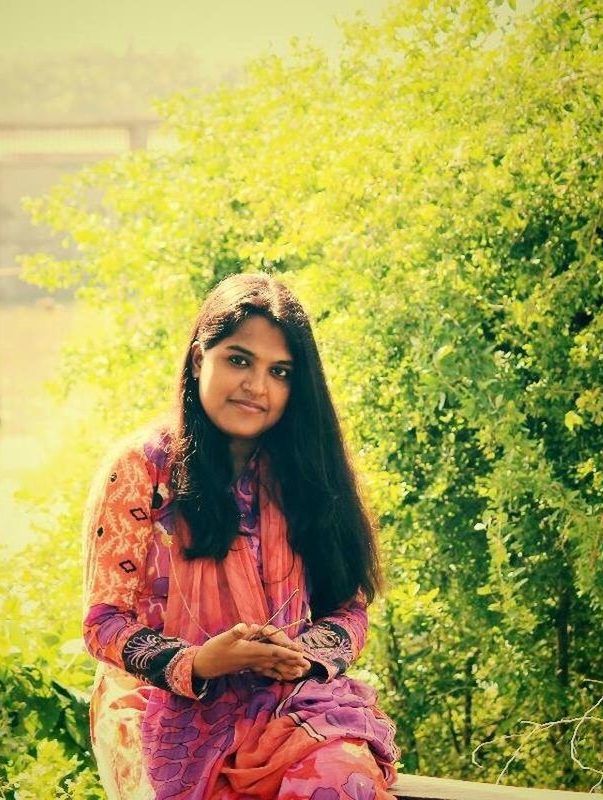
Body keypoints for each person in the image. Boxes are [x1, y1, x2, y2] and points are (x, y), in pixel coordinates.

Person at [82, 272, 398, 799]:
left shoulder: (305, 469)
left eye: (280, 372)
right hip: (162, 711)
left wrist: (299, 654)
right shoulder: (141, 468)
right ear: (199, 357)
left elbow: (350, 607)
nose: (257, 386)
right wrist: (202, 661)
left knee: (341, 784)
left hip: (291, 705)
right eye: (239, 360)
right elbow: (103, 624)